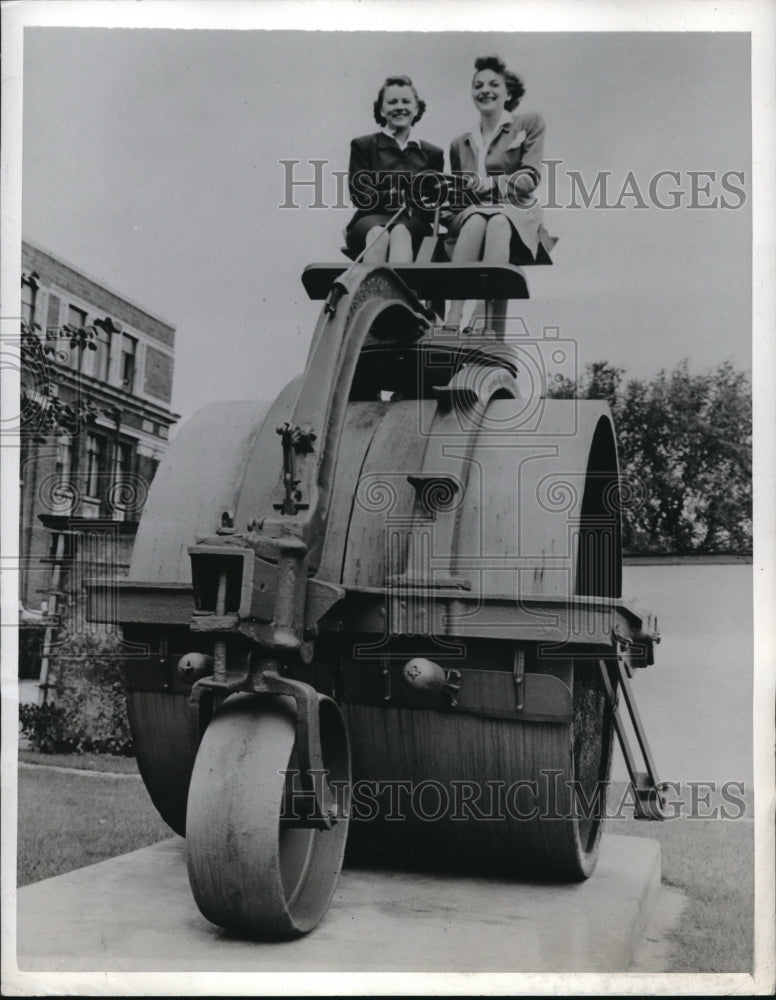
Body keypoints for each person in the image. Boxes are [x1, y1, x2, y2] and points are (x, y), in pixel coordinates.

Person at [444, 55, 556, 333]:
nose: (485, 90)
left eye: (494, 84)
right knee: (476, 219)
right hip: (472, 217)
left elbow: (529, 178)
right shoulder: (460, 142)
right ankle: (452, 318)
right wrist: (450, 206)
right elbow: (459, 197)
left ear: (509, 92)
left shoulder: (528, 124)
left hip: (515, 210)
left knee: (497, 221)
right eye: (478, 85)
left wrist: (493, 185)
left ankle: (481, 318)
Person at [346, 76, 444, 263]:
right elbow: (361, 195)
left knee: (400, 232)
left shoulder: (432, 153)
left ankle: (396, 292)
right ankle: (372, 291)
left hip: (413, 224)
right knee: (378, 234)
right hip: (369, 220)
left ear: (416, 108)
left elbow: (432, 204)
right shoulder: (364, 146)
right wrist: (396, 195)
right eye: (392, 102)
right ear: (382, 110)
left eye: (406, 101)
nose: (400, 107)